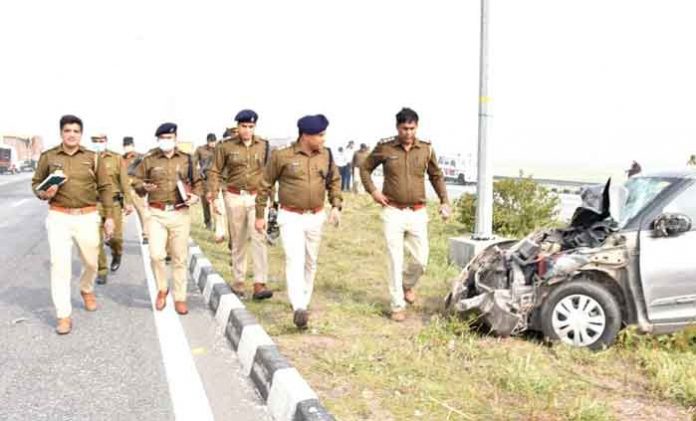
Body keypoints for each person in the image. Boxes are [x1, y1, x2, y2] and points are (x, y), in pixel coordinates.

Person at [360, 107, 451, 322]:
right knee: (395, 259)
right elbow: (365, 169)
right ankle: (397, 304)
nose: (408, 133)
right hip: (392, 211)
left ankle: (407, 284)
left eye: (411, 128)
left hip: (418, 212)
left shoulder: (426, 149)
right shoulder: (385, 147)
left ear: (416, 127)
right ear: (397, 127)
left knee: (422, 260)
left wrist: (444, 201)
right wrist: (374, 192)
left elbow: (436, 176)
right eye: (404, 128)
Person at [254, 114, 342, 329]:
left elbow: (335, 181)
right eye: (320, 135)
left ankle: (304, 298)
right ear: (306, 135)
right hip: (290, 216)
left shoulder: (326, 156)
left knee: (311, 261)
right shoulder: (281, 156)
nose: (323, 139)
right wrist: (259, 215)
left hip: (316, 216)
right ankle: (299, 307)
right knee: (295, 259)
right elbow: (265, 184)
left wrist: (336, 206)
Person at [31, 115, 114, 334]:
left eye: (76, 131)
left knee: (91, 262)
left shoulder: (92, 157)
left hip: (87, 216)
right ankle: (64, 315)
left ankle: (86, 289)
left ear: (81, 134)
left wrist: (110, 218)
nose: (71, 134)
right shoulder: (48, 157)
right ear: (61, 133)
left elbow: (105, 187)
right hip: (59, 216)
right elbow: (36, 184)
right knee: (60, 267)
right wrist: (43, 192)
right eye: (67, 130)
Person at [132, 122, 203, 315]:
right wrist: (142, 187)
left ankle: (180, 297)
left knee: (179, 257)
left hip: (180, 212)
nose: (166, 141)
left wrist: (195, 196)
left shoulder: (187, 159)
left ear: (175, 138)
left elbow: (198, 182)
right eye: (162, 138)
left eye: (169, 138)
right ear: (158, 140)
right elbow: (136, 180)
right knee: (156, 255)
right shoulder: (149, 158)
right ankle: (162, 289)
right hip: (156, 213)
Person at [208, 110, 273, 300]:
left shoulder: (264, 146)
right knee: (238, 240)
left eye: (251, 127)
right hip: (234, 196)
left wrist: (273, 200)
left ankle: (260, 283)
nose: (247, 130)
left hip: (256, 198)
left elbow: (269, 175)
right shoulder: (225, 146)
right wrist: (214, 195)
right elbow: (215, 171)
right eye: (244, 126)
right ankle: (238, 282)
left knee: (259, 238)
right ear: (237, 127)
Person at [91, 133, 133, 285]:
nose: (98, 143)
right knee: (96, 240)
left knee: (116, 237)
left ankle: (117, 253)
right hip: (94, 204)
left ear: (106, 141)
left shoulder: (116, 158)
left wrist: (128, 201)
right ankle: (101, 270)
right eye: (95, 141)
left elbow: (124, 181)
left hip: (114, 204)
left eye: (101, 141)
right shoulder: (88, 158)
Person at [123, 136, 151, 244]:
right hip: (125, 190)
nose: (127, 147)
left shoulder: (141, 158)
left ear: (133, 145)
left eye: (129, 145)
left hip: (137, 190)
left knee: (142, 212)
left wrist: (135, 181)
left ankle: (146, 235)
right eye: (125, 145)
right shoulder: (121, 159)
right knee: (121, 213)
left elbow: (145, 173)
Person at [194, 133, 217, 230]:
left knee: (217, 203)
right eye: (210, 141)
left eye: (213, 141)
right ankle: (208, 223)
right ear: (207, 141)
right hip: (205, 179)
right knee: (205, 203)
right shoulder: (200, 149)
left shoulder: (219, 149)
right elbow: (193, 162)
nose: (212, 144)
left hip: (216, 179)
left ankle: (218, 225)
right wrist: (197, 174)